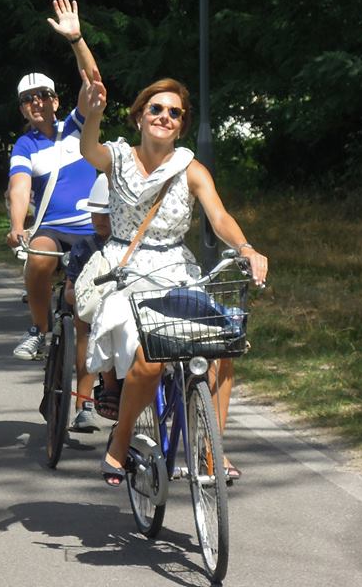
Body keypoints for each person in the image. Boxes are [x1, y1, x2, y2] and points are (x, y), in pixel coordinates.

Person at [77, 70, 269, 486]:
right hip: (126, 271)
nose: (165, 116)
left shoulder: (190, 168)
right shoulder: (117, 158)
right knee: (148, 359)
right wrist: (92, 114)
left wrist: (247, 249)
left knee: (221, 346)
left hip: (176, 271)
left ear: (181, 124)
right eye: (156, 109)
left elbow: (219, 218)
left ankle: (209, 450)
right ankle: (121, 439)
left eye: (175, 113)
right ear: (140, 116)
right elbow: (88, 148)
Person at [6, 0, 99, 360]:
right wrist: (18, 225)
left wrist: (76, 40)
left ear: (56, 101)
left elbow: (93, 81)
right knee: (39, 257)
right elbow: (19, 186)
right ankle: (39, 330)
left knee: (85, 306)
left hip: (92, 226)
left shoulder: (76, 126)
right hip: (52, 228)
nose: (37, 102)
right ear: (22, 109)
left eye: (43, 95)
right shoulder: (24, 146)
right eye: (28, 99)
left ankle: (91, 392)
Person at [62, 174, 113, 432]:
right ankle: (84, 405)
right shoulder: (83, 248)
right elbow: (69, 293)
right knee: (86, 325)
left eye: (107, 213)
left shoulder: (134, 246)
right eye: (96, 213)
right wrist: (84, 297)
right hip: (92, 311)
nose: (100, 220)